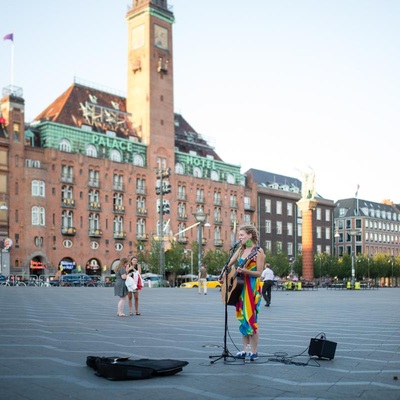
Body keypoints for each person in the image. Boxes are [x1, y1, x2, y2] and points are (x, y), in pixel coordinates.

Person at [219, 224, 265, 361]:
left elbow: (259, 273)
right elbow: (228, 264)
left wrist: (245, 271)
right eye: (239, 235)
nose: (239, 238)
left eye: (242, 235)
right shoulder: (240, 250)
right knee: (243, 319)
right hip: (239, 287)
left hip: (251, 287)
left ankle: (254, 352)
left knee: (252, 319)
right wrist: (222, 275)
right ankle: (245, 350)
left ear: (250, 235)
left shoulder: (258, 251)